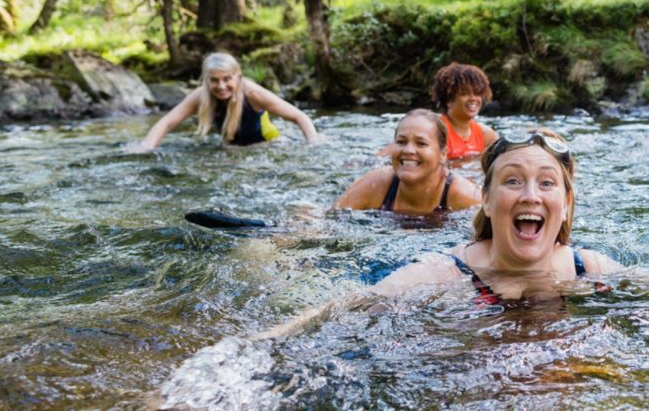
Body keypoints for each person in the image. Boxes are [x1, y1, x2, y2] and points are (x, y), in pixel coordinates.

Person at [258, 128, 620, 339]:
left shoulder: (588, 266)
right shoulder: (446, 273)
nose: (530, 195)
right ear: (488, 201)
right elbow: (344, 306)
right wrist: (254, 344)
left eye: (546, 183)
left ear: (566, 202)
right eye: (512, 181)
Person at [130, 52, 321, 152]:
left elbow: (298, 115)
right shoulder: (200, 95)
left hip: (268, 147)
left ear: (237, 76)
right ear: (206, 80)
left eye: (227, 79)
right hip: (232, 151)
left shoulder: (252, 93)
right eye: (214, 80)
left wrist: (313, 140)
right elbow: (167, 122)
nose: (221, 86)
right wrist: (146, 146)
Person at [335, 109, 481, 215]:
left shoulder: (466, 199)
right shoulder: (375, 184)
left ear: (443, 154)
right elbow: (330, 220)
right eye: (401, 142)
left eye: (421, 143)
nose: (408, 150)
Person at [428, 62, 499, 164]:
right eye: (464, 93)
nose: (473, 99)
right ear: (449, 100)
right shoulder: (436, 131)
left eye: (477, 93)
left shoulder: (486, 135)